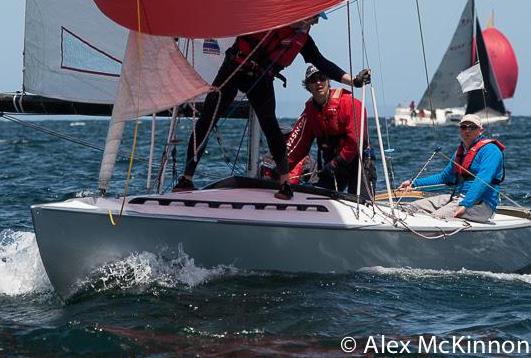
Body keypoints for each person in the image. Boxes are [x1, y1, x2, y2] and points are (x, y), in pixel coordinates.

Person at [174, 14, 370, 191]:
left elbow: (323, 63)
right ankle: (186, 179)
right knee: (206, 121)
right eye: (313, 17)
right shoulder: (269, 18)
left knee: (270, 126)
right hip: (233, 70)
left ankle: (284, 183)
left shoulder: (304, 41)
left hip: (260, 78)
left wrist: (354, 81)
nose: (316, 22)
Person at [283, 64, 376, 200]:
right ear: (307, 86)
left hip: (358, 162)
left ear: (328, 81)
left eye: (322, 78)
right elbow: (298, 146)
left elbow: (355, 141)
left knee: (362, 203)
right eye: (313, 80)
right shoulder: (310, 113)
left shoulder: (350, 104)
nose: (318, 83)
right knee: (318, 197)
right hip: (332, 165)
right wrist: (281, 169)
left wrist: (336, 163)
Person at [397, 114, 504, 223]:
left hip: (481, 204)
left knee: (435, 219)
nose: (467, 130)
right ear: (460, 130)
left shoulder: (491, 150)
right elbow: (443, 177)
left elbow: (483, 180)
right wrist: (413, 183)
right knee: (410, 207)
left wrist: (465, 205)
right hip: (457, 198)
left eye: (472, 127)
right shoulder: (460, 152)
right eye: (464, 127)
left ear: (480, 130)